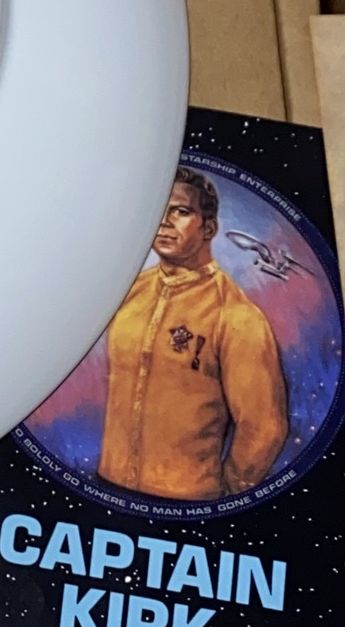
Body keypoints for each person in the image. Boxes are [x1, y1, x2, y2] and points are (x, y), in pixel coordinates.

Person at [98, 166, 289, 500]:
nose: (164, 221)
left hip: (187, 504)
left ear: (209, 228)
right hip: (106, 488)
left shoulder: (236, 317)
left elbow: (265, 427)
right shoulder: (127, 292)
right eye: (159, 208)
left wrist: (229, 491)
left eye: (181, 212)